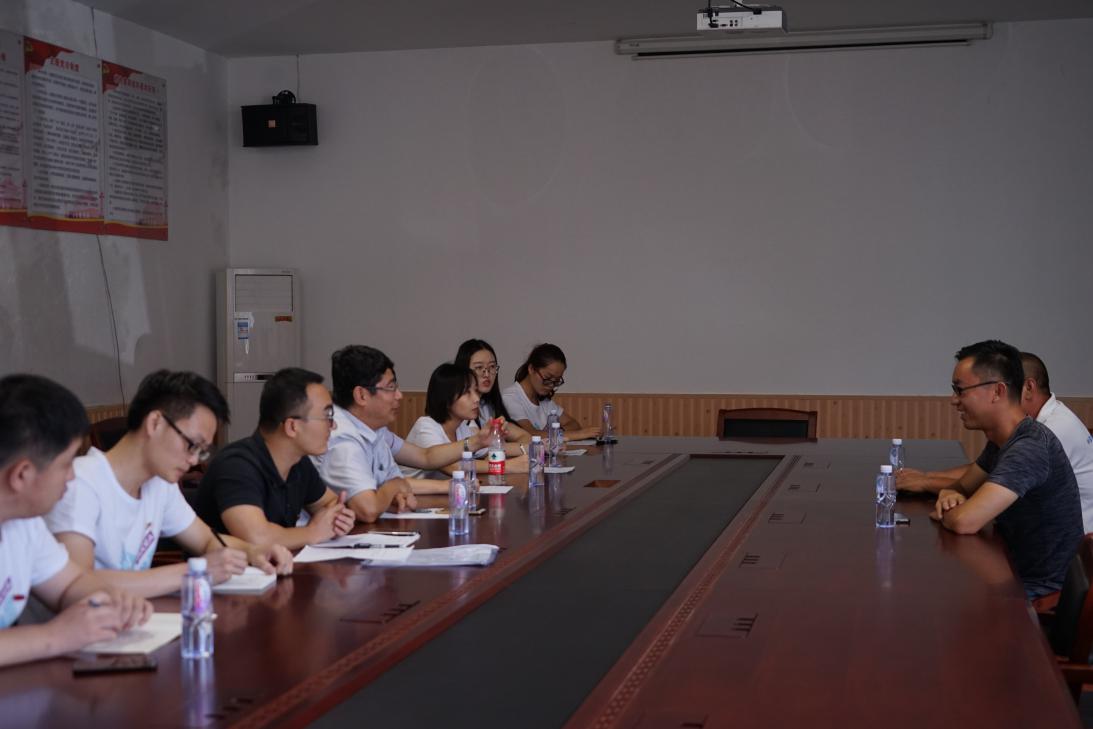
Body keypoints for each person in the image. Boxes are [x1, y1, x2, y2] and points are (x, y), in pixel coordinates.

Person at [46, 371, 293, 598]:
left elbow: (206, 541)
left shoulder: (160, 484)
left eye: (202, 451)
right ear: (155, 423)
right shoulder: (80, 483)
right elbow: (79, 585)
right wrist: (192, 572)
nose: (194, 460)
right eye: (192, 445)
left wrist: (253, 552)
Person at [0, 374, 151, 667]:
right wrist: (55, 636)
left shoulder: (23, 522)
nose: (72, 477)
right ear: (22, 475)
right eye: (66, 464)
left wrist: (112, 600)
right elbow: (58, 634)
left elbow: (70, 584)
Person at [932, 340, 1082, 599]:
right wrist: (950, 493)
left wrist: (949, 509)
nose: (954, 400)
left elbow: (966, 521)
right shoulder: (1002, 441)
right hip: (1009, 573)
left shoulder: (1030, 447)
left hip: (1038, 594)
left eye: (960, 390)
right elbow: (962, 487)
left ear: (997, 391)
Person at [899, 351, 1093, 531]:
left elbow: (968, 516)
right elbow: (978, 476)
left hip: (1080, 539)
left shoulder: (1043, 435)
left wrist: (932, 487)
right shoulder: (1014, 432)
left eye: (961, 390)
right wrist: (938, 484)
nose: (954, 400)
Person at [196, 368, 356, 550]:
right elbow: (256, 537)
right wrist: (314, 532)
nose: (333, 426)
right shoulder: (236, 465)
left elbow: (329, 503)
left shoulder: (298, 462)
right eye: (327, 417)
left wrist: (339, 518)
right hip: (225, 568)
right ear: (292, 426)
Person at [402, 363, 528, 479]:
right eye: (467, 393)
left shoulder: (462, 427)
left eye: (475, 391)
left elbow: (489, 449)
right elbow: (453, 466)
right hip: (411, 495)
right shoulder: (425, 427)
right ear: (446, 398)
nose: (476, 398)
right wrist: (508, 466)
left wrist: (532, 449)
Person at [501, 343, 602, 440]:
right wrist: (578, 434)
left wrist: (555, 433)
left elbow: (573, 424)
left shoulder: (544, 401)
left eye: (556, 381)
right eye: (547, 378)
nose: (551, 385)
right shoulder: (510, 397)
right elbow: (528, 434)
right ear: (531, 369)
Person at [453, 339, 530, 443]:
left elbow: (526, 437)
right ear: (463, 370)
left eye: (492, 366)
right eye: (479, 367)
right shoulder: (460, 410)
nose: (487, 374)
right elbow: (478, 448)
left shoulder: (488, 406)